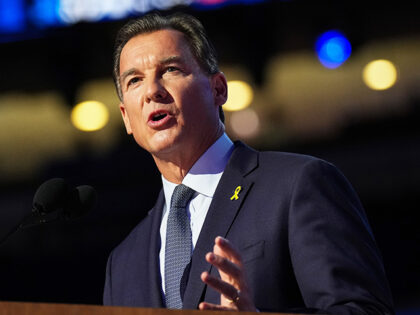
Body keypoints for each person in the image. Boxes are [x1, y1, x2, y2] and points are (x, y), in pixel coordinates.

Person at [103, 11, 394, 314]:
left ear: (218, 89)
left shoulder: (298, 185)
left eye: (171, 70)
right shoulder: (123, 261)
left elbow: (365, 309)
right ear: (126, 116)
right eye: (135, 80)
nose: (152, 91)